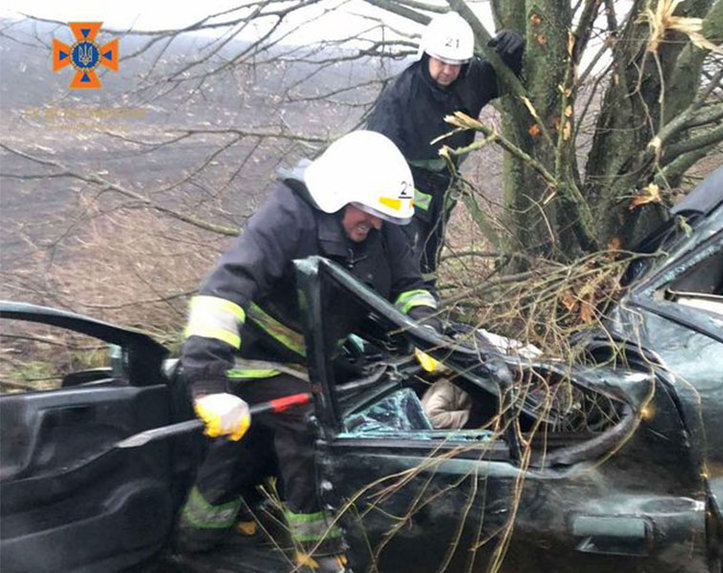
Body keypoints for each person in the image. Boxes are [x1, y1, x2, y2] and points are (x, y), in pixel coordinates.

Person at [175, 130, 438, 573]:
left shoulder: (380, 228)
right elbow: (222, 293)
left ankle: (196, 537)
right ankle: (318, 551)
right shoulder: (286, 217)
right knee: (309, 425)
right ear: (337, 196)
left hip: (309, 360)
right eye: (370, 213)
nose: (375, 224)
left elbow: (411, 286)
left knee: (242, 449)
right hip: (251, 360)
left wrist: (426, 331)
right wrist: (208, 385)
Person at [367, 12, 524, 283]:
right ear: (427, 54)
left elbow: (504, 77)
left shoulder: (471, 79)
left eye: (455, 64)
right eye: (442, 62)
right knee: (402, 257)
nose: (448, 71)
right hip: (402, 187)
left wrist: (514, 51)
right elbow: (378, 151)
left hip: (442, 188)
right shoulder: (402, 95)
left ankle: (426, 303)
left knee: (428, 258)